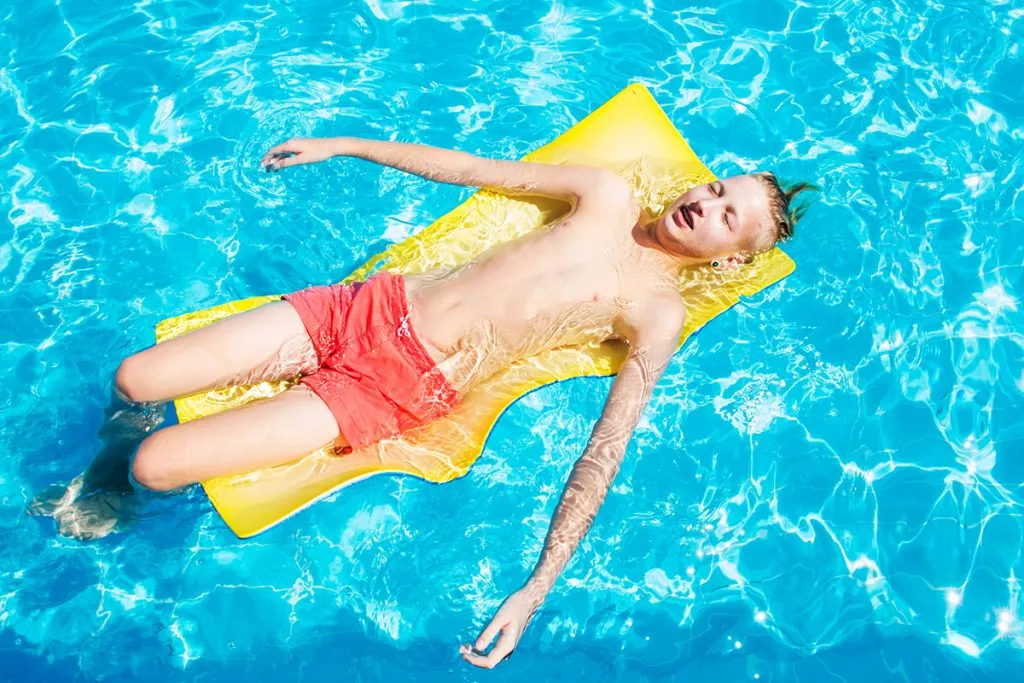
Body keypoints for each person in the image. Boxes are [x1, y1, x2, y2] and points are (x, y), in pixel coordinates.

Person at [30, 134, 815, 668]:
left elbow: (606, 445)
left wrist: (536, 587)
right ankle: (104, 470)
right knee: (135, 378)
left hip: (397, 386)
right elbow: (475, 169)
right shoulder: (605, 194)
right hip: (365, 309)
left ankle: (120, 496)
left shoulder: (657, 313)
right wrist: (351, 144)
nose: (705, 204)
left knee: (160, 464)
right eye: (715, 187)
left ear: (728, 259)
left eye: (726, 217)